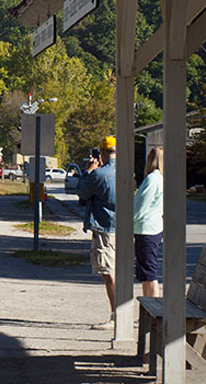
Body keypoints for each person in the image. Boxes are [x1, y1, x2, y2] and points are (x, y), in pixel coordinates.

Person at [78, 135, 117, 325]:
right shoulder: (126, 172)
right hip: (122, 227)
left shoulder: (98, 175)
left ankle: (116, 315)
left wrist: (88, 172)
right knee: (117, 269)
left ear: (102, 152)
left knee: (109, 272)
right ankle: (119, 314)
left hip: (104, 227)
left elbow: (83, 193)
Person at [133, 147, 164, 298]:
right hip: (153, 228)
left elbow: (140, 205)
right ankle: (148, 305)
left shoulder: (152, 179)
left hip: (146, 230)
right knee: (145, 274)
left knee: (149, 273)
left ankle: (154, 305)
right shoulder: (160, 178)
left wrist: (128, 222)